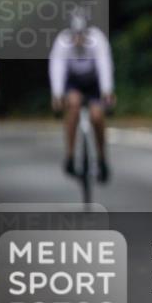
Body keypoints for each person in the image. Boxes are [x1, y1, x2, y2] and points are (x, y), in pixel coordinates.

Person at [48, 13, 116, 183]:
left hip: (93, 83)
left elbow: (104, 65)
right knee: (73, 105)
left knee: (97, 117)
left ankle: (102, 159)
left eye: (81, 35)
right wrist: (57, 95)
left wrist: (107, 92)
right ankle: (70, 156)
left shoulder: (97, 39)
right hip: (74, 83)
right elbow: (57, 68)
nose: (78, 39)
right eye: (75, 35)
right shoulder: (62, 42)